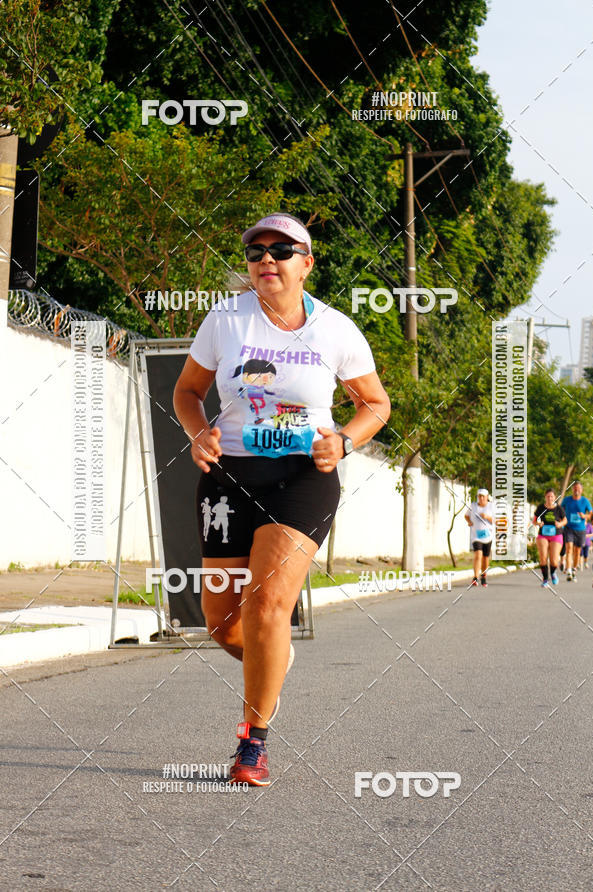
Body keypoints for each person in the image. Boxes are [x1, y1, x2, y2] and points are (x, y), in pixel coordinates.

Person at [173, 212, 390, 786]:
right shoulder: (225, 320)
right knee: (223, 625)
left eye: (281, 250)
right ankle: (274, 658)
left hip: (302, 477)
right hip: (228, 477)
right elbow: (188, 391)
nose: (266, 259)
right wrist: (198, 431)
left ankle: (253, 743)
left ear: (306, 263)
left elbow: (375, 404)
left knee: (266, 606)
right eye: (256, 251)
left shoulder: (336, 329)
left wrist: (345, 441)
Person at [532, 489, 567, 587]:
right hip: (543, 534)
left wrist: (560, 524)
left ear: (555, 497)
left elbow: (565, 520)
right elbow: (534, 521)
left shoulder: (559, 508)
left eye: (552, 496)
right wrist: (538, 523)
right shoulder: (541, 508)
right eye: (548, 496)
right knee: (543, 558)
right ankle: (545, 579)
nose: (550, 498)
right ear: (545, 497)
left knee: (554, 561)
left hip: (556, 535)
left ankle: (553, 573)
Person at [561, 480, 592, 582]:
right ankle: (569, 570)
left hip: (581, 529)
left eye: (578, 489)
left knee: (577, 551)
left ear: (581, 490)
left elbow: (591, 514)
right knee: (569, 549)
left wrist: (585, 516)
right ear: (572, 489)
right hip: (568, 528)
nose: (576, 490)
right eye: (575, 489)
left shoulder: (585, 501)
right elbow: (560, 511)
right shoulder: (566, 500)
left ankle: (574, 569)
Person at [464, 489, 494, 587]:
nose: (481, 498)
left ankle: (483, 576)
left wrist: (487, 517)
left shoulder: (491, 507)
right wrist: (469, 522)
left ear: (487, 497)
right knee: (478, 555)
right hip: (476, 536)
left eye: (483, 496)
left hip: (488, 536)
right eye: (479, 496)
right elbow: (466, 516)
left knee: (485, 557)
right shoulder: (473, 506)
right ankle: (475, 577)